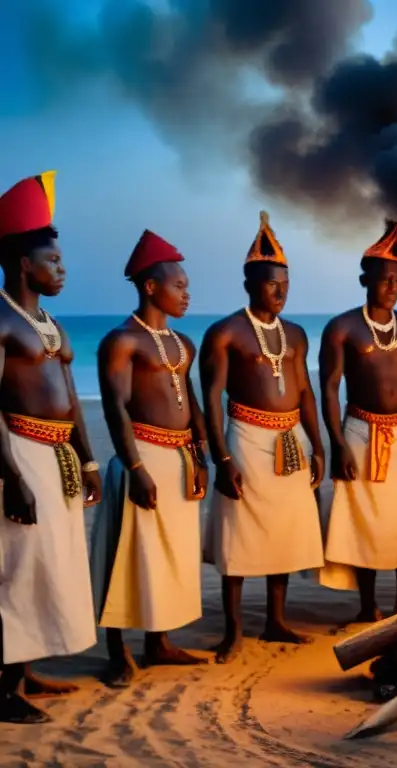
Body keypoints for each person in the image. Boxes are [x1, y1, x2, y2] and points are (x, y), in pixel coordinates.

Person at [200, 210, 325, 664]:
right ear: (250, 283)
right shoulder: (225, 332)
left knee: (283, 534)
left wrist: (319, 443)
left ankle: (276, 620)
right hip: (246, 440)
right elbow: (210, 397)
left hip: (291, 440)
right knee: (240, 536)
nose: (281, 291)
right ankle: (232, 631)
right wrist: (222, 458)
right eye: (272, 283)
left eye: (286, 284)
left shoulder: (295, 333)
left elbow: (307, 391)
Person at [0, 171, 102, 724]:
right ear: (24, 264)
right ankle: (4, 687)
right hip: (20, 453)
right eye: (54, 261)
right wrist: (11, 476)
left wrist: (87, 458)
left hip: (60, 456)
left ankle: (26, 668)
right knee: (18, 567)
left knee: (49, 567)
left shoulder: (52, 323)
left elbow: (71, 400)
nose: (62, 270)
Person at [90, 230, 209, 688]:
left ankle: (158, 642)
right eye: (178, 285)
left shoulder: (182, 343)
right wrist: (135, 468)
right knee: (126, 554)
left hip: (179, 458)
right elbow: (114, 406)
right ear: (150, 287)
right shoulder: (121, 341)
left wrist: (199, 455)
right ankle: (117, 652)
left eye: (187, 285)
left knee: (171, 554)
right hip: (140, 458)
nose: (187, 293)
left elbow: (190, 398)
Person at [318, 220, 397, 621]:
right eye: (385, 278)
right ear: (364, 278)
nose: (392, 286)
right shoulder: (341, 328)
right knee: (362, 522)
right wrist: (337, 444)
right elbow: (330, 387)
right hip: (359, 433)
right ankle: (368, 607)